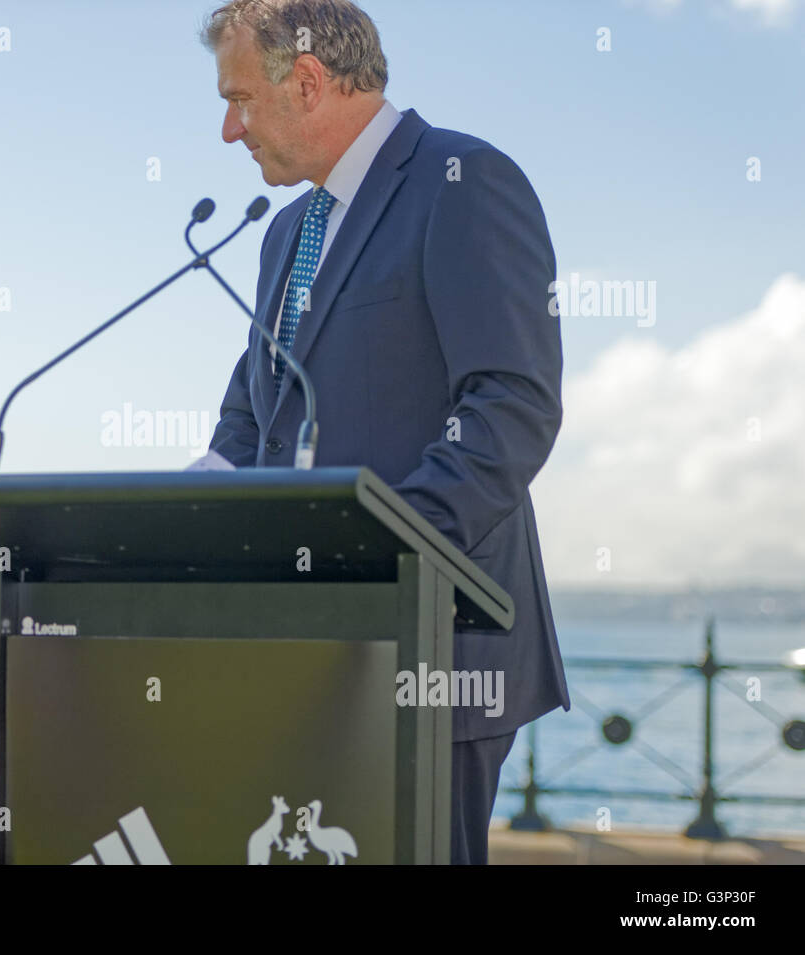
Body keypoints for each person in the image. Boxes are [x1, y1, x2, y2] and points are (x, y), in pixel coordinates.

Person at [200, 0, 571, 863]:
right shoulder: (287, 230)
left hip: (437, 646)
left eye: (241, 99)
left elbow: (510, 407)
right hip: (309, 654)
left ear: (307, 81)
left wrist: (382, 555)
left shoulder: (464, 179)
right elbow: (250, 416)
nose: (228, 129)